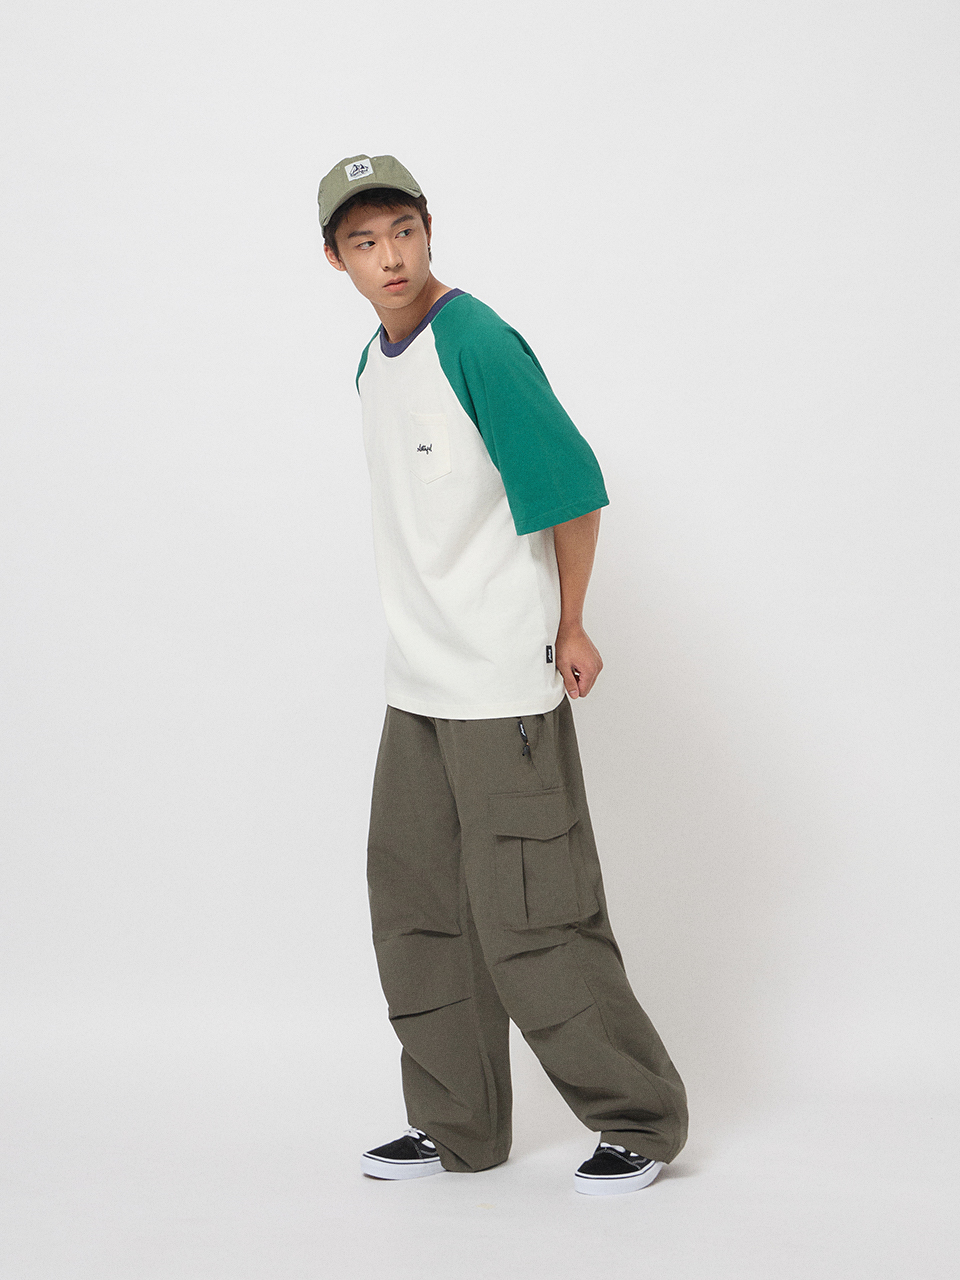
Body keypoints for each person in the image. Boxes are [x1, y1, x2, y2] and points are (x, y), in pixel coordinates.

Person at [318, 154, 688, 1195]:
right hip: (417, 687)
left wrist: (572, 622)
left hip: (498, 686)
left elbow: (571, 490)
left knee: (536, 912)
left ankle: (638, 1119)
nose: (389, 257)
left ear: (429, 228)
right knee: (418, 907)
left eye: (402, 231)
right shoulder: (374, 361)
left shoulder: (475, 340)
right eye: (363, 242)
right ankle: (457, 1124)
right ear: (336, 259)